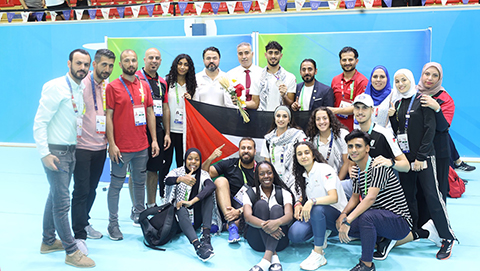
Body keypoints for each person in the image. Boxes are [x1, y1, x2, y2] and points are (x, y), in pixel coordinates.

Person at [33, 49, 95, 267]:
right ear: (69, 63)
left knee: (55, 196)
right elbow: (40, 123)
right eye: (78, 63)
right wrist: (45, 154)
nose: (82, 68)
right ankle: (71, 251)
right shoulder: (55, 86)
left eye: (86, 65)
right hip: (56, 153)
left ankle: (48, 241)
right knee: (61, 203)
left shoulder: (81, 86)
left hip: (70, 150)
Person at [389, 69, 456, 260]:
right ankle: (413, 230)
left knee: (433, 197)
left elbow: (430, 131)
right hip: (407, 159)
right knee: (408, 196)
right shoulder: (399, 103)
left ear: (411, 80)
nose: (401, 84)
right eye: (397, 81)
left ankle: (447, 237)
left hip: (424, 158)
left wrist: (421, 157)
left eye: (404, 80)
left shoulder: (423, 100)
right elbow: (400, 132)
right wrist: (394, 118)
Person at [337, 130, 413, 271]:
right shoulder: (356, 171)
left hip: (399, 222)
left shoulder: (378, 166)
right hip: (378, 218)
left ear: (367, 148)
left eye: (358, 146)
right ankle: (378, 239)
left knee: (365, 218)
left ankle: (367, 265)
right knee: (345, 226)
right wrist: (343, 215)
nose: (353, 150)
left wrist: (349, 220)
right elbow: (354, 198)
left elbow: (370, 198)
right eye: (350, 146)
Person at [105, 49, 159, 241]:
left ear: (138, 62)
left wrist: (153, 140)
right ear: (120, 64)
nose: (131, 63)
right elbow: (108, 117)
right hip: (121, 148)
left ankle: (139, 214)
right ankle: (113, 223)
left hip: (141, 146)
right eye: (126, 60)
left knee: (139, 182)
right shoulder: (112, 87)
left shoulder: (144, 86)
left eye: (133, 60)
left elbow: (150, 113)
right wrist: (112, 144)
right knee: (116, 185)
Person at [71, 49, 115, 251]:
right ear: (94, 64)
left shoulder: (106, 86)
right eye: (104, 64)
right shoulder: (82, 84)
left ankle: (84, 222)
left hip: (100, 147)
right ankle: (78, 234)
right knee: (80, 191)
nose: (107, 69)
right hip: (81, 147)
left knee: (91, 189)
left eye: (111, 66)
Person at [289, 141, 348, 270]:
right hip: (318, 214)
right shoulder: (303, 175)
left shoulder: (324, 169)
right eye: (299, 154)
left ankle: (318, 253)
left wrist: (311, 201)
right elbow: (303, 195)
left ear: (313, 155)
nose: (303, 156)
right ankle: (323, 231)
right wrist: (299, 203)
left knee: (316, 208)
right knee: (295, 234)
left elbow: (334, 197)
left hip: (337, 215)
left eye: (306, 153)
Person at [416, 62, 476, 172]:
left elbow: (443, 127)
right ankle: (457, 162)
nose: (430, 78)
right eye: (427, 74)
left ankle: (452, 175)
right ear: (422, 75)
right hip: (414, 137)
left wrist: (437, 108)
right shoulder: (412, 92)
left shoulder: (445, 98)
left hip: (435, 140)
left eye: (435, 75)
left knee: (442, 135)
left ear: (440, 78)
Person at [132, 48, 171, 209]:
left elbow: (166, 107)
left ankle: (151, 204)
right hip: (139, 130)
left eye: (157, 58)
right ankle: (137, 207)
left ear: (161, 61)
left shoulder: (162, 82)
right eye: (151, 58)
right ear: (144, 60)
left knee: (154, 169)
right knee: (137, 171)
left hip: (158, 131)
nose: (154, 60)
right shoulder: (135, 79)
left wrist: (167, 133)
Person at [164, 148, 216, 262]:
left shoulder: (203, 174)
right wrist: (181, 179)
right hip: (178, 219)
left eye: (197, 159)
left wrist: (192, 202)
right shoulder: (177, 172)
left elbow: (211, 186)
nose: (193, 162)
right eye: (190, 159)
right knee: (180, 207)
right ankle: (198, 246)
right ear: (185, 160)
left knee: (208, 196)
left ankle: (206, 238)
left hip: (196, 218)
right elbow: (167, 180)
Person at [202, 137, 257, 243]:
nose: (246, 150)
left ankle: (226, 225)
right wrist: (211, 158)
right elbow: (203, 174)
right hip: (226, 207)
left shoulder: (260, 169)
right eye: (243, 148)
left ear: (254, 151)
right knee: (220, 180)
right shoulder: (230, 163)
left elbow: (262, 196)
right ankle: (231, 225)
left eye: (249, 148)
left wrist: (239, 211)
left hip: (245, 210)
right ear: (239, 150)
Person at [243, 161, 293, 271]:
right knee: (261, 204)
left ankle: (265, 261)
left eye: (269, 173)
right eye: (262, 174)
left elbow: (289, 215)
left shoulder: (283, 192)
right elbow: (247, 217)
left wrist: (277, 223)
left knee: (277, 208)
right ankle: (273, 258)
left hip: (280, 241)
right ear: (257, 176)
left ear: (274, 174)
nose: (266, 176)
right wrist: (265, 225)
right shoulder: (249, 193)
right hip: (257, 241)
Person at [164, 53, 197, 188]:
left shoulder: (192, 84)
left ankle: (180, 192)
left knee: (182, 163)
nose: (182, 67)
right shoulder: (167, 82)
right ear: (175, 64)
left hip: (184, 131)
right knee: (165, 163)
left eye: (186, 64)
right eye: (180, 63)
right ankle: (163, 193)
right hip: (169, 130)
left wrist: (191, 100)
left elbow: (196, 108)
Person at [260, 106, 306, 189]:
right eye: (278, 116)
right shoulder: (268, 139)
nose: (281, 119)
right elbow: (268, 163)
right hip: (275, 182)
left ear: (289, 120)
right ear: (274, 118)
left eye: (284, 116)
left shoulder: (298, 136)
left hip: (295, 181)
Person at [329, 46, 368, 131]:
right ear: (340, 61)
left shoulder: (362, 81)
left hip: (355, 128)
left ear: (356, 61)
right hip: (336, 127)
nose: (347, 63)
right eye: (344, 60)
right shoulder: (335, 80)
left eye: (350, 60)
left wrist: (335, 110)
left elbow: (358, 107)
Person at [305, 107, 350, 181]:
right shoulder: (311, 140)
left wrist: (337, 182)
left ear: (330, 119)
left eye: (324, 118)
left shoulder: (342, 135)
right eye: (318, 119)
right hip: (320, 179)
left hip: (341, 178)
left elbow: (346, 162)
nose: (321, 122)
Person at [256, 41, 297, 111]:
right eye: (270, 53)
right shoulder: (257, 76)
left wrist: (284, 96)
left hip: (282, 118)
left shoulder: (290, 77)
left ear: (281, 56)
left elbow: (290, 104)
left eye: (276, 53)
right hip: (261, 117)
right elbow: (255, 103)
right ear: (265, 55)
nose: (273, 56)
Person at [227, 42, 263, 109]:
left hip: (259, 113)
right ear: (237, 55)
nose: (244, 57)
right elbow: (228, 101)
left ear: (252, 54)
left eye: (246, 53)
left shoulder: (262, 73)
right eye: (240, 54)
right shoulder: (230, 74)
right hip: (237, 113)